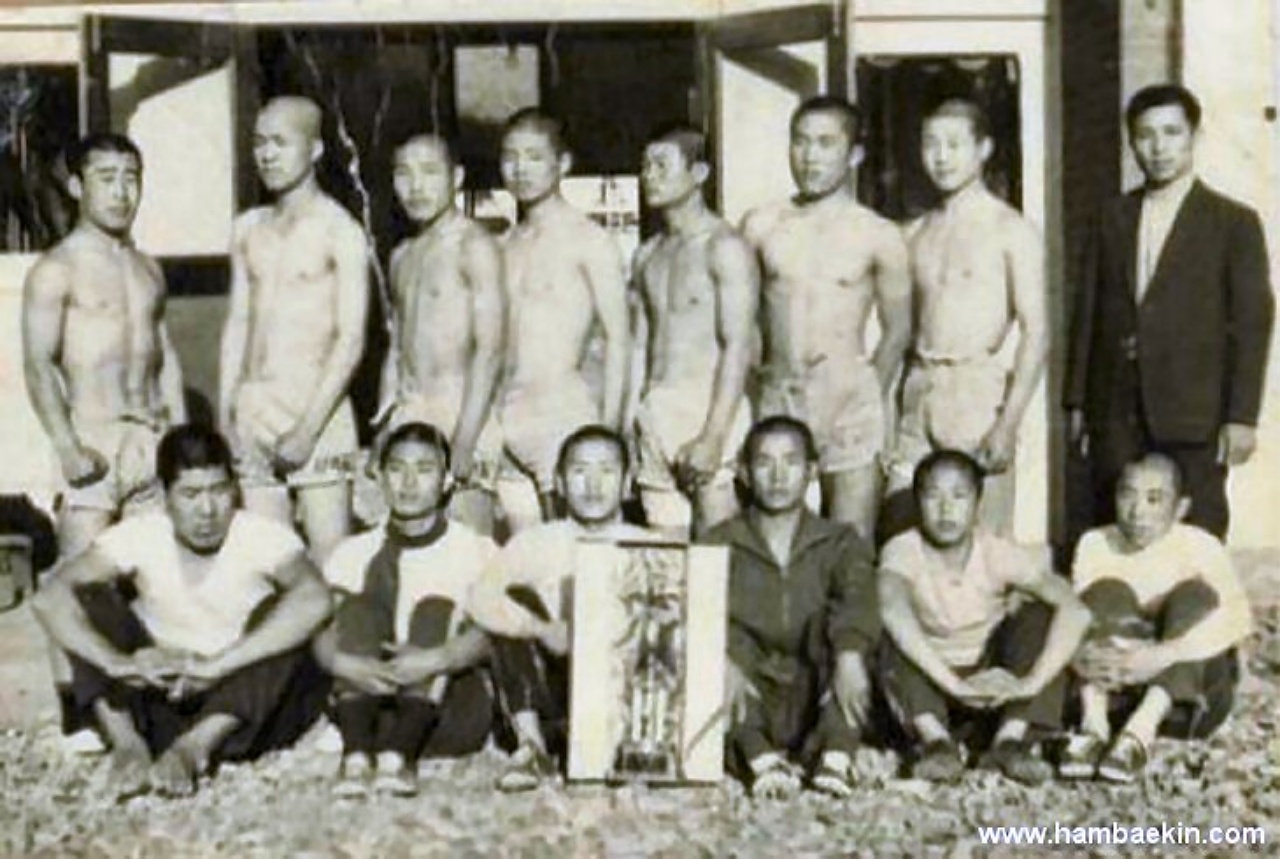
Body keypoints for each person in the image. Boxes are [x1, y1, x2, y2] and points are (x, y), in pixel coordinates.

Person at [31, 425, 331, 798]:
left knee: (284, 616)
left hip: (240, 713)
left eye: (219, 491)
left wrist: (215, 667)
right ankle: (128, 745)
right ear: (164, 495)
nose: (207, 511)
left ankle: (193, 749)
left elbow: (316, 599)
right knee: (90, 595)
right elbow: (50, 597)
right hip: (158, 699)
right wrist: (116, 663)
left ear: (235, 488)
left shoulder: (260, 535)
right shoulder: (142, 533)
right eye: (190, 494)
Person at [1065, 84, 1275, 539]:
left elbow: (1253, 324)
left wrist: (1242, 416)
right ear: (1131, 142)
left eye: (1171, 133)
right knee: (1114, 525)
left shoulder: (1232, 223)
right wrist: (1077, 401)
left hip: (1194, 411)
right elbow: (1087, 313)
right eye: (1145, 135)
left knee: (1196, 529)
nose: (1158, 148)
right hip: (1117, 409)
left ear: (1194, 137)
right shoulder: (1111, 216)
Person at [742, 96, 911, 537]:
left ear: (854, 154)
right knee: (775, 537)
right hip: (780, 394)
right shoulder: (761, 225)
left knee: (849, 543)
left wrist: (867, 389)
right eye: (800, 142)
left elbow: (898, 329)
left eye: (825, 143)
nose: (809, 156)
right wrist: (759, 383)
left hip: (848, 400)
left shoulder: (878, 234)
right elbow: (744, 321)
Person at [877, 450, 1089, 784]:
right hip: (931, 680)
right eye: (933, 496)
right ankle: (937, 745)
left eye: (959, 496)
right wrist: (956, 686)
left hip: (993, 682)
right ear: (918, 503)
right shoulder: (903, 549)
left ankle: (1010, 741)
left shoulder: (994, 549)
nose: (946, 509)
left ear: (977, 503)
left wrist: (1029, 684)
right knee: (883, 630)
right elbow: (890, 607)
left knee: (1039, 616)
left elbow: (1075, 610)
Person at [219, 95, 370, 562]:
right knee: (267, 561)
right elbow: (238, 323)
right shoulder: (247, 228)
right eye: (259, 143)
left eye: (280, 143)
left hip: (317, 410)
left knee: (331, 563)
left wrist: (307, 429)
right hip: (256, 409)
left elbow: (351, 338)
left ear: (315, 149)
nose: (267, 155)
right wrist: (226, 411)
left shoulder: (339, 230)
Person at [886, 98, 1047, 533]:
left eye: (954, 145)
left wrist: (1007, 423)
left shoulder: (1011, 230)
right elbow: (899, 331)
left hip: (976, 390)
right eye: (931, 144)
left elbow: (1037, 331)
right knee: (902, 524)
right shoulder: (915, 232)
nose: (941, 157)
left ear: (984, 149)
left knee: (980, 535)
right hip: (919, 387)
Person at [22, 132, 186, 558]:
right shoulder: (57, 268)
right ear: (77, 186)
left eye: (131, 178)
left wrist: (179, 437)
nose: (121, 192)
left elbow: (164, 356)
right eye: (107, 178)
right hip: (93, 440)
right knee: (84, 583)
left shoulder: (148, 268)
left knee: (159, 577)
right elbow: (38, 364)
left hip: (150, 438)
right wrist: (67, 447)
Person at [316, 422, 496, 798]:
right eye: (397, 469)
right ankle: (356, 758)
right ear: (380, 477)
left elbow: (500, 635)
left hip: (442, 710)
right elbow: (316, 630)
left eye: (424, 470)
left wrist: (438, 659)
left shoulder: (476, 550)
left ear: (446, 480)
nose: (409, 483)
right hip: (367, 707)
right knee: (357, 606)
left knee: (435, 609)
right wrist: (343, 664)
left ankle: (400, 757)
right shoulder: (352, 553)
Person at [467, 425, 651, 791]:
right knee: (514, 600)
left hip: (620, 687)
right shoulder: (538, 541)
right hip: (552, 680)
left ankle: (629, 747)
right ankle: (532, 747)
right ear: (561, 484)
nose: (593, 484)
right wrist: (539, 628)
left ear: (627, 484)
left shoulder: (649, 547)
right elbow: (480, 598)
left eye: (606, 471)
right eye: (580, 471)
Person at [704, 416, 877, 799]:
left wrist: (849, 655)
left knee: (844, 634)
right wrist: (720, 658)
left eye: (791, 462)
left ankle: (836, 754)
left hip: (815, 689)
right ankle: (758, 758)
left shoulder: (839, 541)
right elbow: (699, 613)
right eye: (765, 463)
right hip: (750, 691)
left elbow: (857, 601)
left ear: (812, 471)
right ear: (745, 473)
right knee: (722, 644)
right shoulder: (719, 542)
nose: (778, 476)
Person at [1061, 453, 1251, 784]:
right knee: (1105, 591)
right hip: (1116, 692)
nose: (1138, 512)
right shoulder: (1096, 543)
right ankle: (1094, 728)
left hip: (1185, 704)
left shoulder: (1200, 545)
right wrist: (1082, 655)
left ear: (1180, 508)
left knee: (1196, 596)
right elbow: (1076, 619)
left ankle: (1139, 734)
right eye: (1127, 495)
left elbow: (1239, 618)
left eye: (1154, 499)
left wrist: (1164, 654)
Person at [495, 109, 630, 532]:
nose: (521, 168)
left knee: (577, 551)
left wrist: (609, 430)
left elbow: (620, 340)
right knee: (525, 555)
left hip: (560, 411)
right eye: (510, 156)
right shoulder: (501, 244)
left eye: (534, 156)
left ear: (563, 164)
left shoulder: (588, 239)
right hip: (503, 416)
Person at [376, 134, 506, 536]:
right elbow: (395, 349)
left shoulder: (475, 246)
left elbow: (491, 348)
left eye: (430, 172)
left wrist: (465, 438)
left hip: (462, 406)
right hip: (411, 409)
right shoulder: (402, 256)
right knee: (407, 544)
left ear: (457, 178)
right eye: (404, 174)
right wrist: (384, 423)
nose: (416, 186)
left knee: (469, 543)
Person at [632, 123, 758, 537]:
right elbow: (641, 345)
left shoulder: (725, 247)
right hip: (657, 412)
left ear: (698, 173)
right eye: (645, 165)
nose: (649, 175)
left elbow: (739, 346)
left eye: (661, 165)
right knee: (663, 559)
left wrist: (714, 436)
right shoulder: (647, 254)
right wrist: (631, 419)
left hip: (706, 407)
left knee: (718, 553)